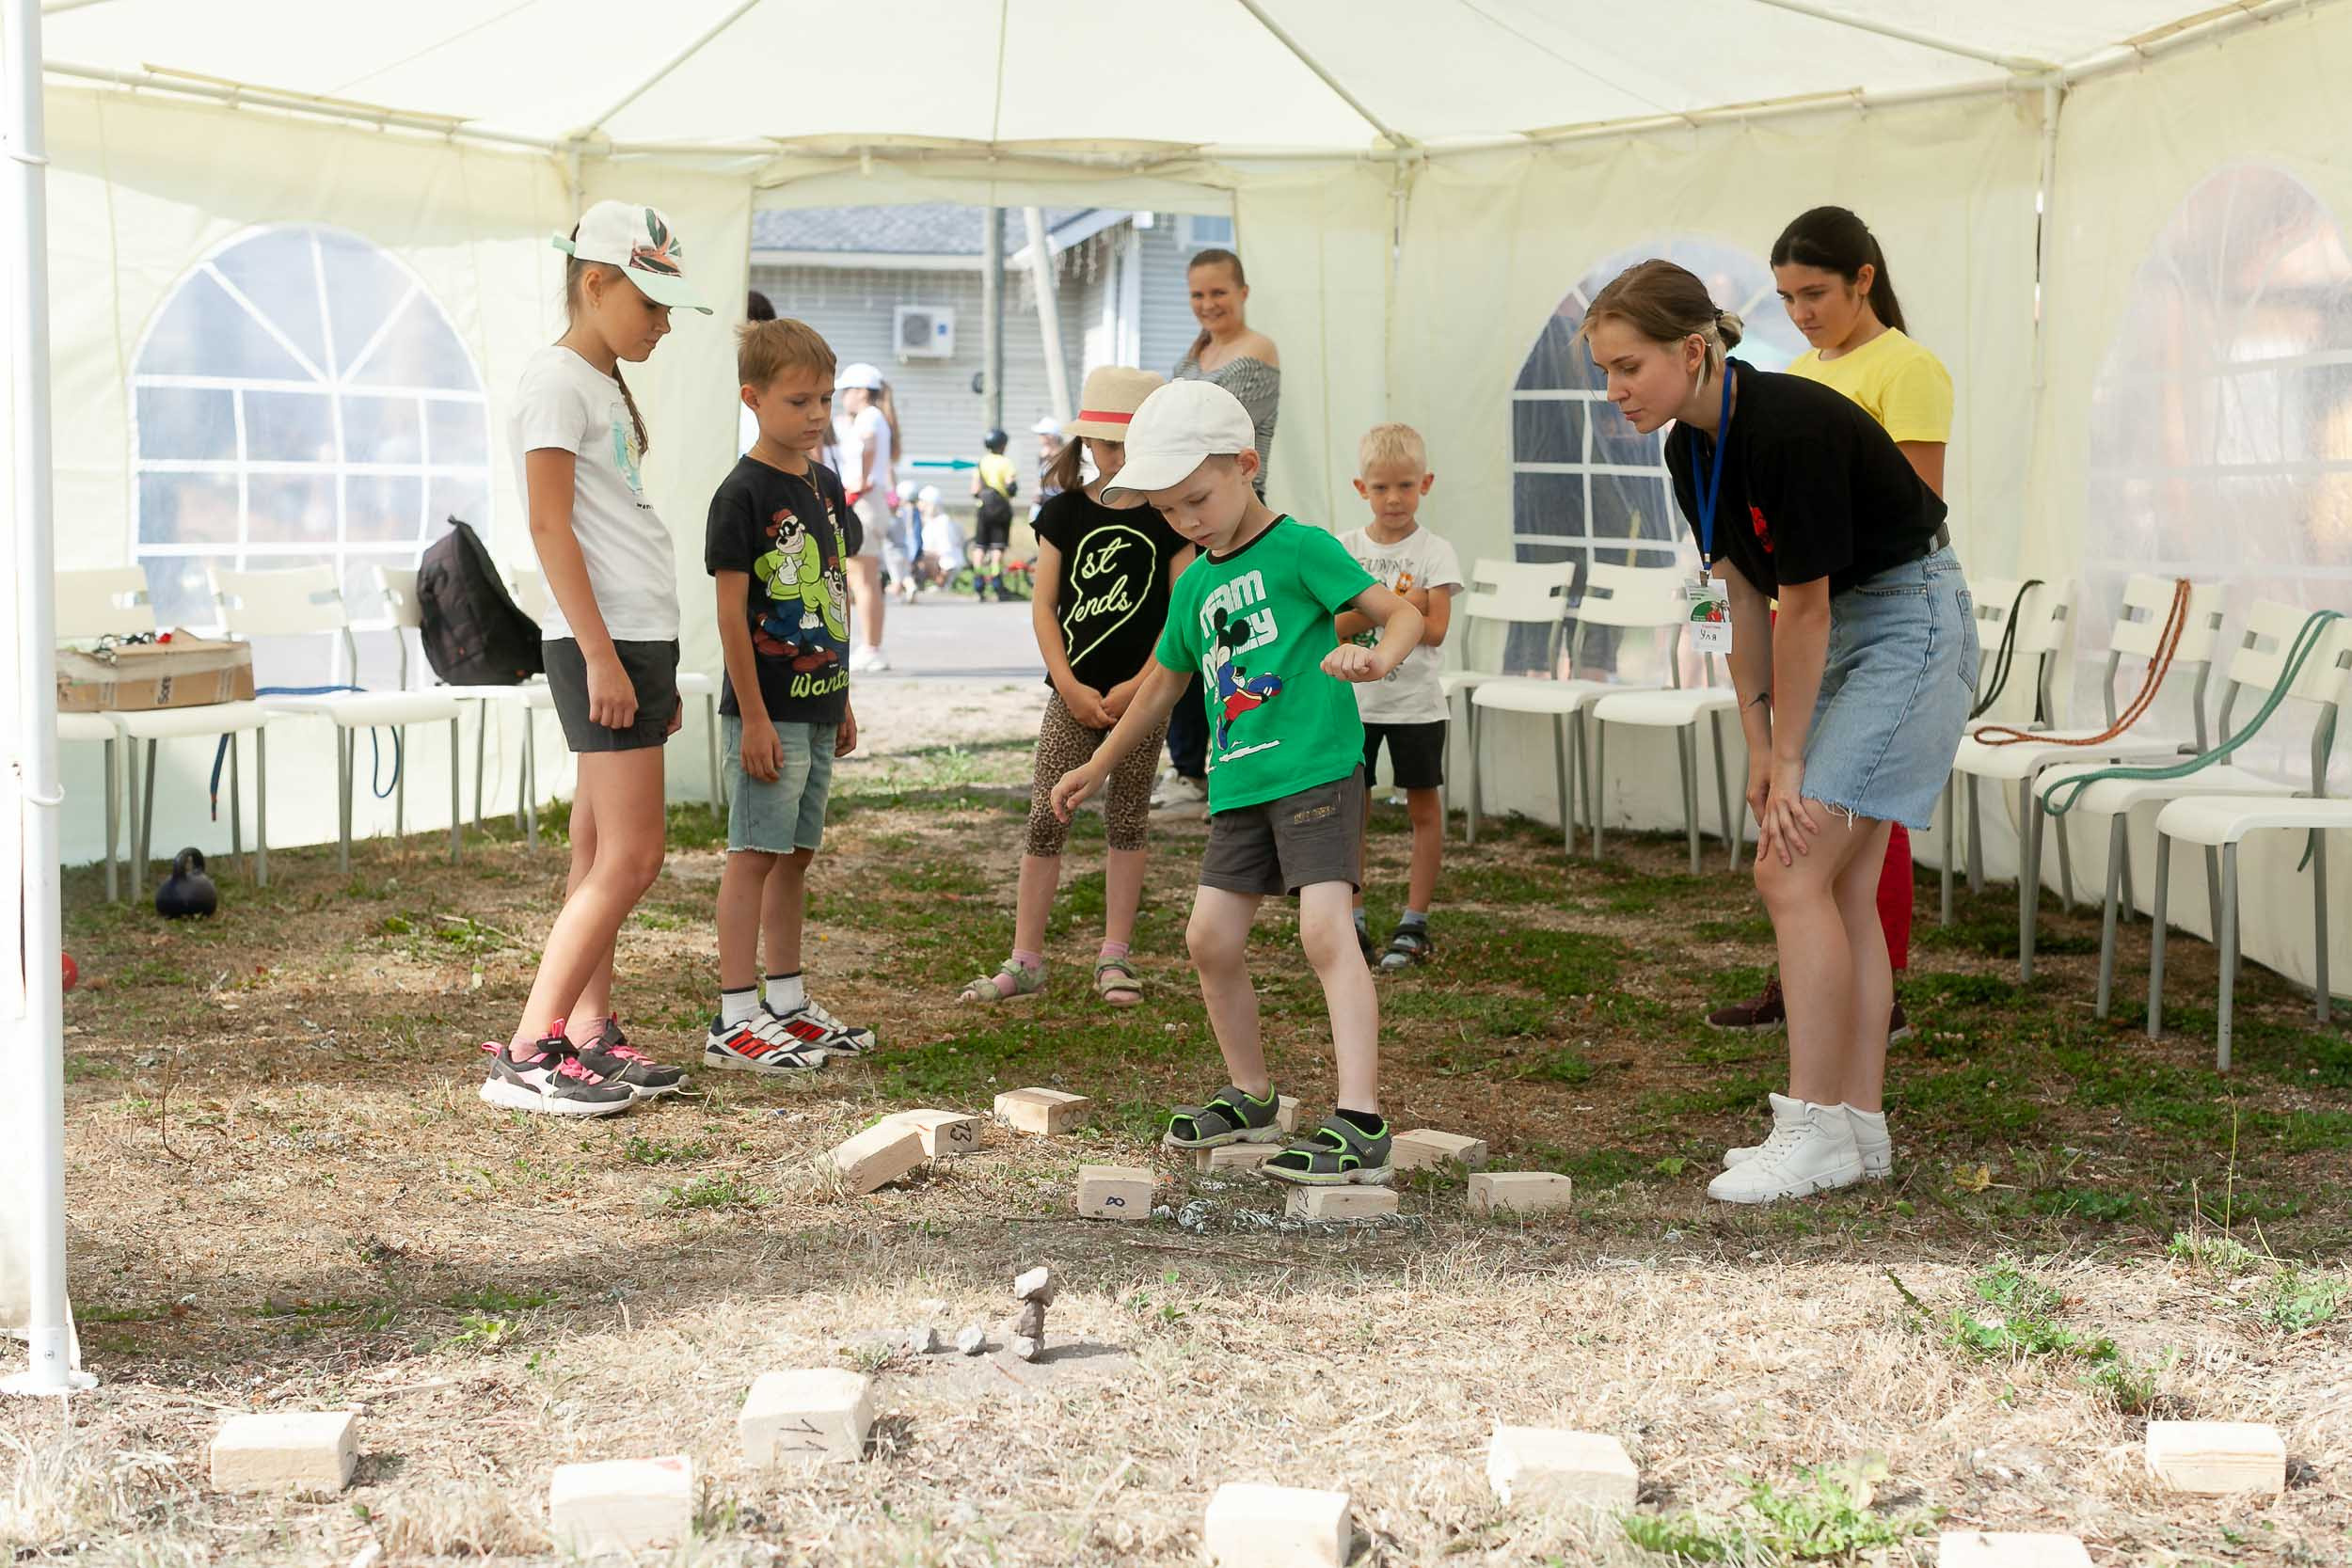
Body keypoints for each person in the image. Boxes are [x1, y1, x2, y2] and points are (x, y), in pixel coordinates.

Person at [1582, 260, 1973, 1204]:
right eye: (1603, 371)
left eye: (1628, 365)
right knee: (1832, 881)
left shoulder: (1787, 424)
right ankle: (1857, 1129)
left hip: (1904, 626)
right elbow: (1728, 593)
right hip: (1843, 631)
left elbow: (1802, 610)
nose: (1614, 389)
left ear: (1693, 348)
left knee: (1789, 865)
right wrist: (1757, 743)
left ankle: (1810, 1126)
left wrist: (1789, 756)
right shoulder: (1688, 450)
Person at [1049, 380, 1424, 1188]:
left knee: (1325, 931)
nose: (1185, 520)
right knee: (1207, 939)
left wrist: (1376, 658)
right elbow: (1160, 687)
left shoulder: (1302, 547)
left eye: (1197, 499)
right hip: (1238, 784)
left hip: (1318, 765)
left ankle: (1360, 1117)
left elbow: (1402, 614)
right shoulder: (1191, 585)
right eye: (1168, 509)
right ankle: (1253, 1093)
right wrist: (1096, 764)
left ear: (1247, 465)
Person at [476, 199, 710, 1117]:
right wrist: (607, 660)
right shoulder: (557, 381)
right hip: (600, 639)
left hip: (629, 640)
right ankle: (530, 1049)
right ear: (595, 283)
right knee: (634, 856)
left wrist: (647, 664)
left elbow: (617, 525)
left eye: (666, 309)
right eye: (647, 304)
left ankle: (586, 1030)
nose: (660, 323)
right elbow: (548, 524)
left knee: (597, 847)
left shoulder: (601, 382)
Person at [1707, 207, 1954, 1048]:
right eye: (1785, 298)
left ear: (1864, 280)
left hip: (1870, 603)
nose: (1802, 312)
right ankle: (1814, 987)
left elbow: (1916, 505)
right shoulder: (1796, 374)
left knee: (1845, 829)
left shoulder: (1908, 367)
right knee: (1809, 837)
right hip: (1807, 602)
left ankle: (1868, 1005)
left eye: (1815, 292)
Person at [959, 368, 1190, 1007]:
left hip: (1142, 699)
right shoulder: (1061, 512)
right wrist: (1069, 684)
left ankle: (1115, 954)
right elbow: (1043, 605)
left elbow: (1180, 610)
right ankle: (1026, 957)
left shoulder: (1172, 518)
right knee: (1046, 814)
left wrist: (1142, 683)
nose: (1111, 458)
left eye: (1124, 446)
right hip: (1074, 693)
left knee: (1128, 817)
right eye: (1103, 445)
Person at [701, 316, 879, 1074]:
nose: (815, 416)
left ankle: (785, 1001)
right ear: (753, 398)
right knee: (754, 854)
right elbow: (732, 616)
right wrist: (755, 718)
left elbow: (833, 593)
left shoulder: (824, 484)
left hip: (817, 703)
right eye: (798, 401)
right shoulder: (740, 494)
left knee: (796, 854)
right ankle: (735, 1015)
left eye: (825, 400)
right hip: (766, 713)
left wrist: (839, 698)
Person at [1157, 247, 1282, 817]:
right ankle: (1188, 766)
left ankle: (1230, 759)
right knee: (1186, 640)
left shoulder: (1257, 351)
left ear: (1244, 292)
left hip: (1232, 513)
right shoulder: (1197, 352)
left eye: (1218, 293)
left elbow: (1208, 423)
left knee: (1233, 643)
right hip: (1184, 512)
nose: (1208, 304)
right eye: (1197, 295)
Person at [1336, 423, 1461, 971]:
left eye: (1405, 486)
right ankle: (1352, 920)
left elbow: (1433, 631)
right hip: (1354, 707)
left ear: (1425, 484)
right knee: (1350, 812)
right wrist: (1390, 605)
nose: (1394, 499)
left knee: (1422, 809)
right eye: (1382, 487)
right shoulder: (1343, 549)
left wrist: (1396, 610)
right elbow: (1334, 626)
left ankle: (1414, 922)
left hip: (1416, 707)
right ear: (1361, 488)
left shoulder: (1436, 552)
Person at [833, 363, 898, 673]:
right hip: (868, 500)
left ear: (861, 392)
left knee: (862, 579)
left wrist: (860, 478)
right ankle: (869, 646)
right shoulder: (874, 416)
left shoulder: (869, 416)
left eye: (847, 391)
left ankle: (871, 647)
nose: (843, 397)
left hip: (864, 501)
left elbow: (868, 445)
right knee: (862, 578)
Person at [971, 427, 1020, 600]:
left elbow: (975, 489)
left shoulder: (982, 462)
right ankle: (997, 581)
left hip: (983, 506)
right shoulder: (1006, 463)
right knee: (997, 545)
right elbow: (1011, 487)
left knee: (980, 545)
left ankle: (978, 581)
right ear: (1002, 445)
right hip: (1000, 507)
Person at [914, 484, 965, 590]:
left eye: (921, 501)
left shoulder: (942, 522)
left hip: (944, 564)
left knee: (919, 557)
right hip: (937, 561)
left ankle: (940, 584)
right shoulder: (927, 521)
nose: (918, 504)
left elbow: (948, 553)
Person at [1033, 416, 1069, 506]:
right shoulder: (1042, 454)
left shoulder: (1064, 456)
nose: (1039, 437)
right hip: (1045, 502)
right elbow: (1041, 477)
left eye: (1042, 434)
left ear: (1050, 436)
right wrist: (1038, 492)